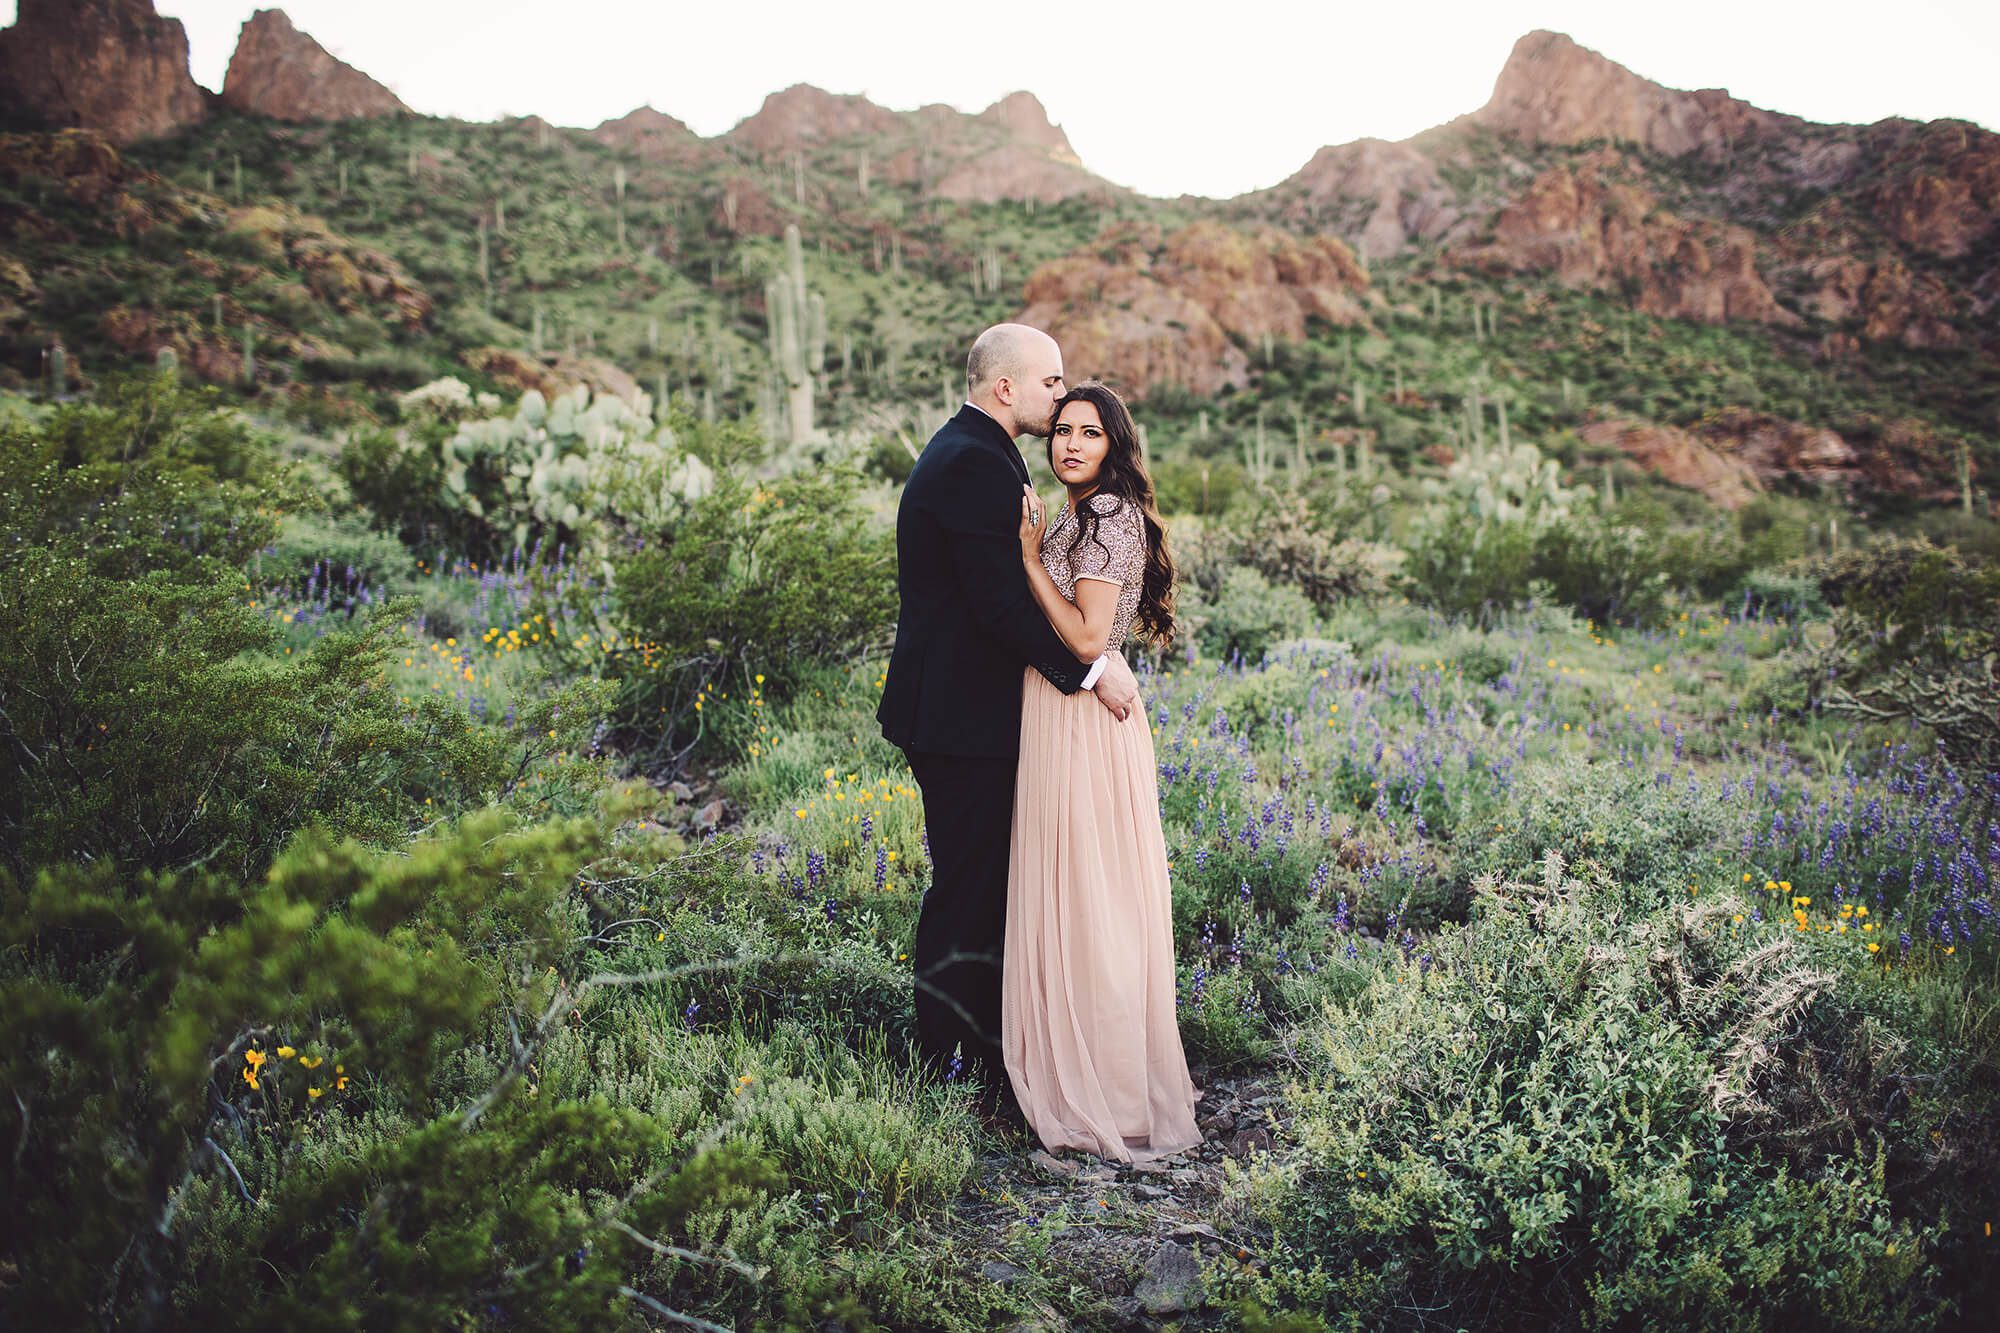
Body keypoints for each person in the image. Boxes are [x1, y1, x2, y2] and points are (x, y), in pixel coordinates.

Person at [876, 324, 1140, 1103]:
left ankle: (984, 1054)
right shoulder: (973, 465)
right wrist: (1092, 669)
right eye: (1051, 384)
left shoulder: (977, 453)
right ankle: (953, 1067)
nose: (1059, 397)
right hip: (960, 720)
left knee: (982, 884)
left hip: (966, 713)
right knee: (968, 890)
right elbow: (996, 607)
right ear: (1006, 388)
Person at [1003, 380, 1201, 1164]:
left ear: (1114, 445)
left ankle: (1113, 1091)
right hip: (1066, 714)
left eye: (1089, 433)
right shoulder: (1084, 515)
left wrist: (1025, 557)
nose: (1070, 444)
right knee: (1081, 893)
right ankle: (1089, 1071)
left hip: (1084, 718)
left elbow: (1087, 639)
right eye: (1061, 432)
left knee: (1092, 898)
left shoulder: (1107, 516)